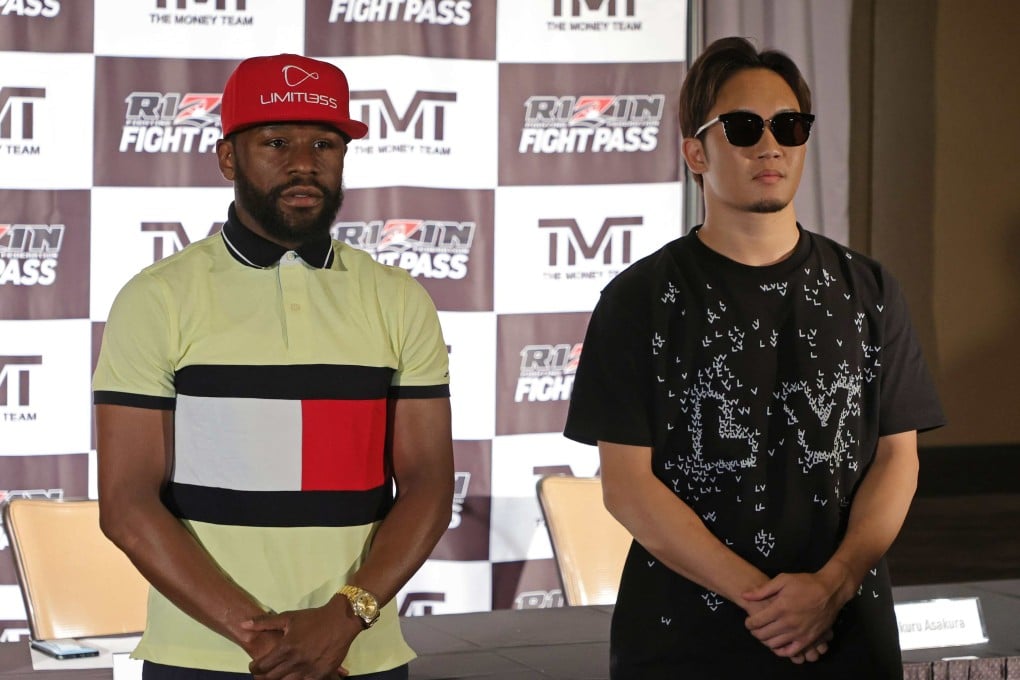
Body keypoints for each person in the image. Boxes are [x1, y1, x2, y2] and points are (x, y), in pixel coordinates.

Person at [564, 36, 945, 679]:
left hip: (848, 630)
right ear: (695, 151)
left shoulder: (869, 288)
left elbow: (896, 456)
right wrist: (772, 605)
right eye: (743, 127)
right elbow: (627, 485)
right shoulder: (638, 299)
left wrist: (833, 584)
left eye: (789, 126)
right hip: (686, 642)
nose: (770, 145)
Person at [93, 54, 454, 680]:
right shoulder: (158, 297)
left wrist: (342, 620)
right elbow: (127, 504)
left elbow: (427, 485)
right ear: (228, 157)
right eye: (276, 141)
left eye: (325, 142)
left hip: (358, 652)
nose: (304, 163)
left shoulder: (398, 298)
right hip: (202, 656)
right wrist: (272, 644)